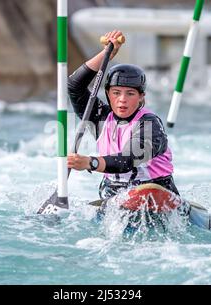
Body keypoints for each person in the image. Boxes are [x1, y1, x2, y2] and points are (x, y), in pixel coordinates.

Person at [67, 30, 181, 203]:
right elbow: (75, 85)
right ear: (107, 94)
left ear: (141, 96)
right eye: (116, 93)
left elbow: (128, 159)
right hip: (113, 194)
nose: (122, 100)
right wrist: (107, 54)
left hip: (153, 189)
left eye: (130, 93)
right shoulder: (99, 117)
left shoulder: (150, 124)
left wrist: (90, 163)